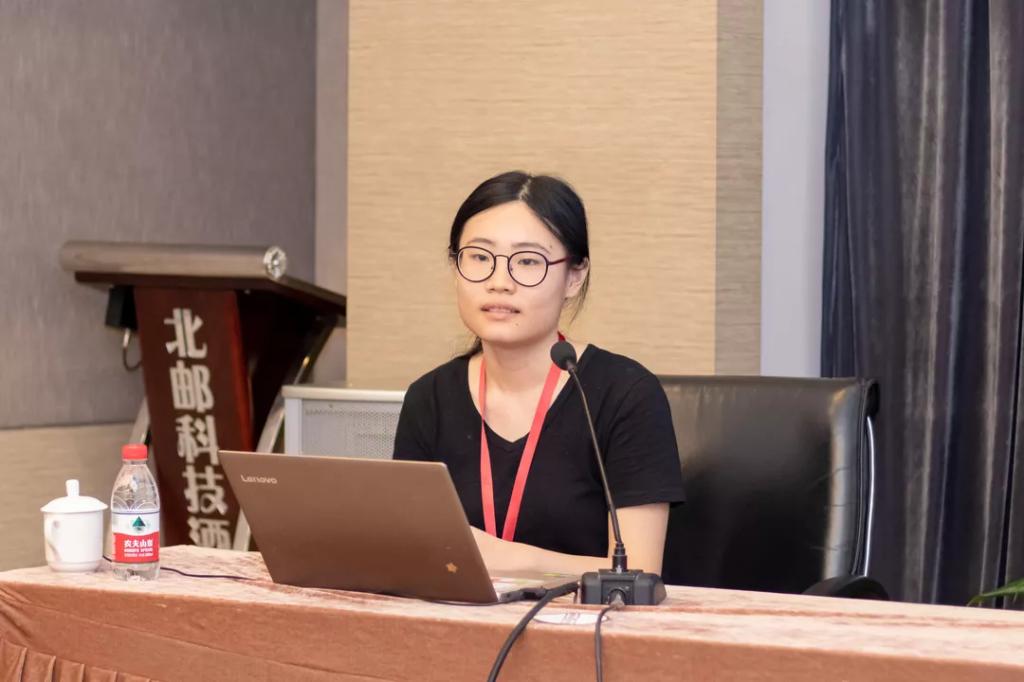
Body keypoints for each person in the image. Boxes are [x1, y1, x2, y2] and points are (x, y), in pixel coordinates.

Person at [393, 171, 684, 576]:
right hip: (461, 614)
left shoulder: (625, 395)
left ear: (574, 276)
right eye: (479, 257)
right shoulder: (429, 398)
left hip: (588, 617)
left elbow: (639, 572)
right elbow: (412, 551)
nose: (499, 282)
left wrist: (511, 559)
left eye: (528, 261)